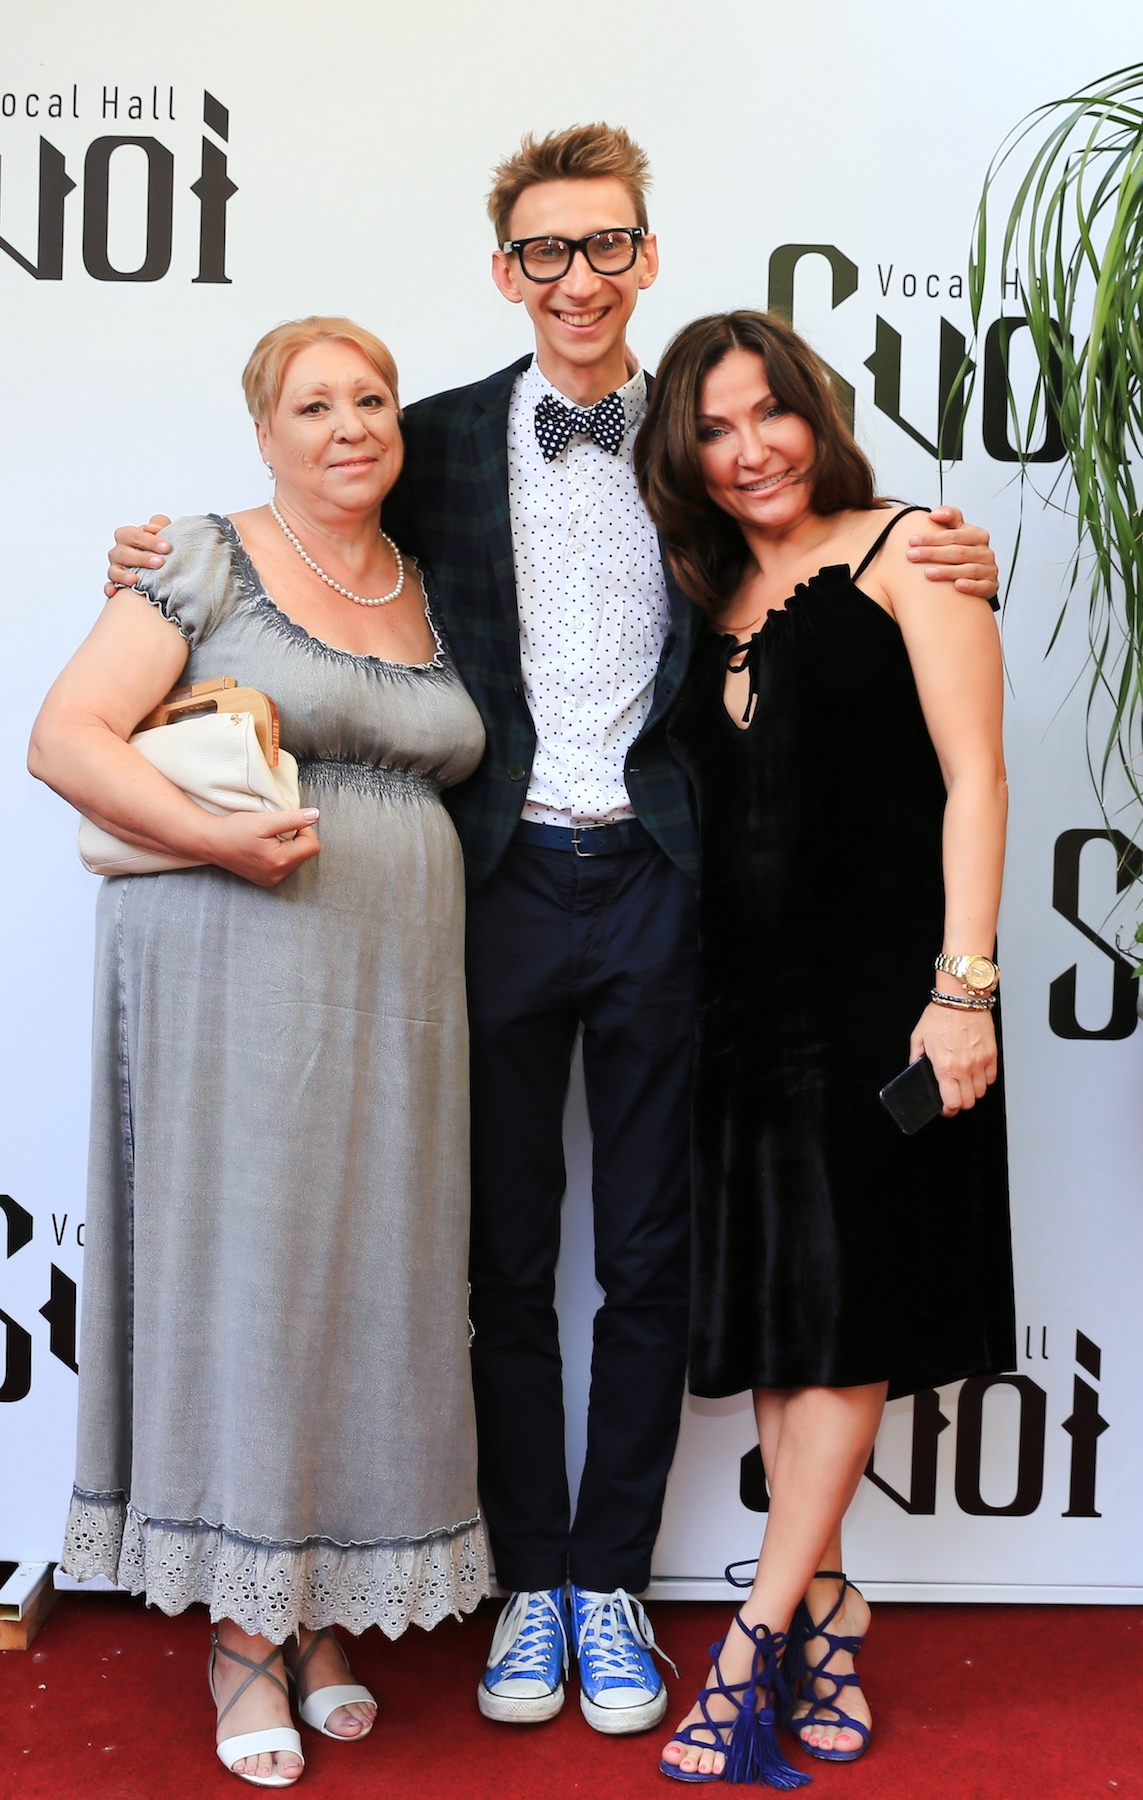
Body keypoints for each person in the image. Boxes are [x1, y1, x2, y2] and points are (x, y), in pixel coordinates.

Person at [103, 124, 1001, 1740]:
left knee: (649, 1257)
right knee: (500, 1256)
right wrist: (158, 560)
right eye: (544, 251)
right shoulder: (435, 439)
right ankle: (527, 1580)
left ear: (646, 257)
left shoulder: (707, 445)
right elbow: (308, 522)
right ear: (505, 271)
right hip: (490, 883)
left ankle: (608, 1585)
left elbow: (821, 552)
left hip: (670, 887)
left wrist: (943, 543)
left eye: (605, 246)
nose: (577, 278)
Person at [29, 316, 488, 1788]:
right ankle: (242, 1631)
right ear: (264, 432)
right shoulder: (203, 556)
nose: (349, 425)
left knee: (374, 1282)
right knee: (252, 1276)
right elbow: (66, 737)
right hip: (234, 962)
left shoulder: (434, 581)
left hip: (401, 985)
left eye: (372, 399)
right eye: (314, 404)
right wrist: (219, 836)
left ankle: (324, 1604)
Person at [633, 310, 1015, 1785]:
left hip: (886, 1001)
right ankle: (833, 1607)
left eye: (768, 414)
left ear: (816, 410)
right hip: (742, 1008)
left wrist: (962, 989)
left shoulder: (914, 551)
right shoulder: (706, 589)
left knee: (848, 1322)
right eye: (714, 431)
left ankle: (751, 1647)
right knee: (794, 1327)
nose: (750, 451)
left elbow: (976, 779)